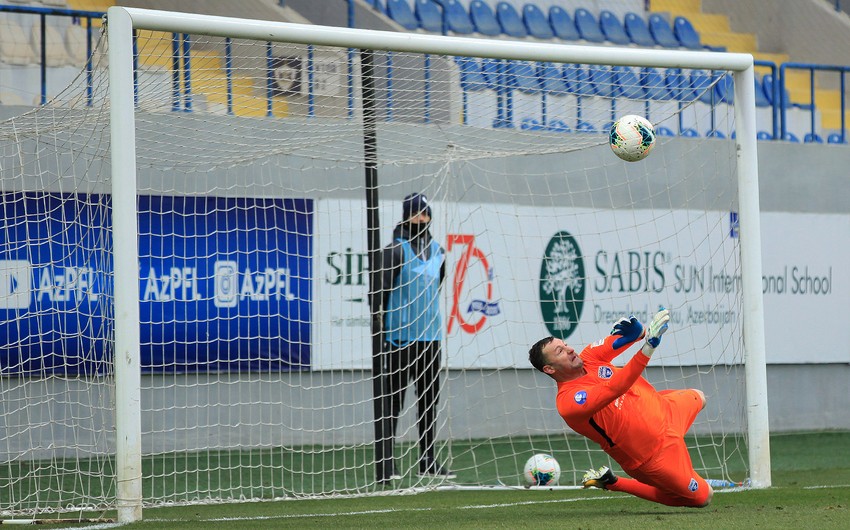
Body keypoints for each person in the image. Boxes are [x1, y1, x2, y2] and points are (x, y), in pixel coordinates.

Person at [527, 309, 714, 508]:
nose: (570, 349)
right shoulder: (569, 402)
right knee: (703, 497)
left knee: (700, 396)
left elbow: (629, 336)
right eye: (560, 351)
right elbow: (615, 388)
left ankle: (675, 470)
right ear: (549, 369)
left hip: (664, 410)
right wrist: (648, 348)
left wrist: (638, 330)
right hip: (652, 455)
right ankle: (614, 483)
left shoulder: (589, 355)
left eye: (565, 345)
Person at [370, 192, 454, 483]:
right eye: (417, 213)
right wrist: (380, 332)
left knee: (429, 400)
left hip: (430, 338)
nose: (423, 219)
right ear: (406, 215)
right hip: (398, 339)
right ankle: (387, 461)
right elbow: (377, 295)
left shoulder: (439, 252)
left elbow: (437, 287)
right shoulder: (394, 251)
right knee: (393, 401)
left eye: (426, 214)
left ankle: (427, 458)